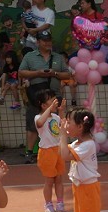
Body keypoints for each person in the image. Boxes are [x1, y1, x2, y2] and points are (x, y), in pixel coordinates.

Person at [59, 104, 108, 212]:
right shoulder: (77, 144)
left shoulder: (88, 145)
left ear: (80, 126)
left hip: (89, 187)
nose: (67, 125)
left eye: (69, 122)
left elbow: (64, 155)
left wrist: (62, 135)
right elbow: (62, 151)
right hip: (79, 186)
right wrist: (62, 133)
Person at [18, 30, 70, 163]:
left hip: (54, 95)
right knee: (32, 124)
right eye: (44, 40)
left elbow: (67, 74)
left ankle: (59, 150)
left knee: (56, 123)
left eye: (49, 40)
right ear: (38, 42)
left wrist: (54, 74)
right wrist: (38, 73)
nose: (47, 43)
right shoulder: (30, 56)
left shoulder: (58, 57)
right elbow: (21, 72)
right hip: (36, 96)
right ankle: (29, 153)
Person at [35, 89, 65, 212]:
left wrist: (61, 111)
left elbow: (63, 126)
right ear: (43, 105)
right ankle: (48, 204)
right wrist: (50, 109)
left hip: (57, 150)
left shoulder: (55, 117)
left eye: (54, 99)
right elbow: (39, 123)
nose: (54, 101)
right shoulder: (38, 117)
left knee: (59, 179)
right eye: (51, 100)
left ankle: (60, 203)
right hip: (46, 152)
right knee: (49, 180)